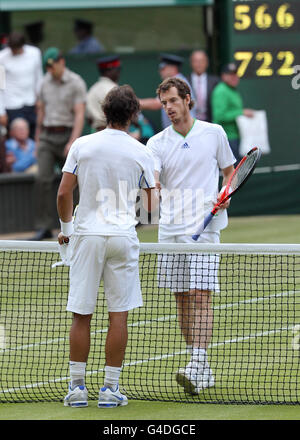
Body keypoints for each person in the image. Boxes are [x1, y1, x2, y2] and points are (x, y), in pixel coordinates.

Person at [57, 84, 157, 408]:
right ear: (133, 115)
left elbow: (63, 194)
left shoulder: (81, 145)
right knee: (119, 317)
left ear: (104, 112)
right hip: (121, 237)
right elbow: (152, 209)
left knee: (81, 315)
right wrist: (130, 222)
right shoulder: (142, 151)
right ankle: (110, 391)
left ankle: (76, 389)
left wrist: (67, 230)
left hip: (86, 236)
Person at [147, 77, 236, 395]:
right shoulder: (156, 142)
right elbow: (153, 177)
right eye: (164, 103)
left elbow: (230, 172)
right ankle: (202, 367)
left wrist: (227, 193)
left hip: (205, 229)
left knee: (200, 295)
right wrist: (153, 188)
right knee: (182, 299)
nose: (168, 108)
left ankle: (197, 363)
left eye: (172, 100)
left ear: (188, 99)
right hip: (170, 231)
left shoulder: (214, 133)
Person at [31, 47, 86, 241]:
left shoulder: (76, 82)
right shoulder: (44, 83)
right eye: (47, 67)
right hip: (47, 135)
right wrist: (38, 137)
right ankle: (43, 227)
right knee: (42, 179)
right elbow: (41, 111)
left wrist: (73, 141)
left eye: (52, 66)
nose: (50, 70)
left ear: (61, 62)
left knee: (77, 180)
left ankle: (79, 223)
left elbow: (79, 113)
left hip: (67, 135)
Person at [0, 31, 43, 139]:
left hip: (31, 103)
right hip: (11, 105)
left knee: (34, 138)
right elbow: (0, 86)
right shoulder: (2, 58)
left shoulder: (35, 53)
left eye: (16, 48)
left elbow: (39, 77)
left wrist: (39, 99)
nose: (13, 51)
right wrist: (1, 112)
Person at [211, 63, 254, 162]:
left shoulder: (232, 90)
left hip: (235, 137)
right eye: (230, 75)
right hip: (227, 138)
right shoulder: (221, 91)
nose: (234, 77)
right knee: (233, 173)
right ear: (223, 76)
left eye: (235, 74)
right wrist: (241, 113)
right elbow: (219, 116)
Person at [139, 53, 196, 129]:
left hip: (183, 131)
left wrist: (134, 103)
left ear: (173, 68)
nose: (160, 71)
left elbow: (156, 104)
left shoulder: (176, 83)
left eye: (163, 68)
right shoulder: (176, 81)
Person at [86, 55, 121, 131]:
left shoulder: (92, 90)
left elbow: (89, 119)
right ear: (109, 70)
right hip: (113, 132)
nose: (118, 73)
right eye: (117, 69)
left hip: (95, 133)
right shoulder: (115, 90)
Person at [189, 50, 219, 122]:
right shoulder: (185, 81)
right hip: (191, 122)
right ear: (191, 63)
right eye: (196, 61)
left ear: (207, 63)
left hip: (210, 121)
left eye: (201, 61)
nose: (199, 64)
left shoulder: (215, 82)